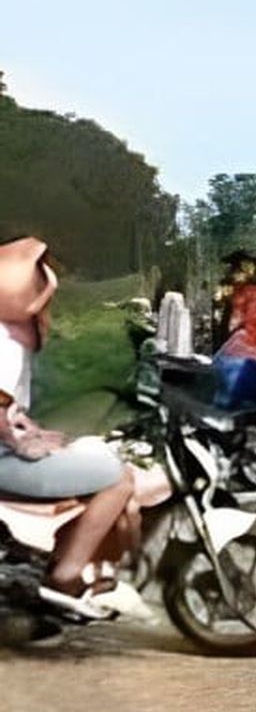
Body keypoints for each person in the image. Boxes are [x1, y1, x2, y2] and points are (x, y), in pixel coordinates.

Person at [0, 236, 138, 616]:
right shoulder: (7, 344)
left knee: (87, 450)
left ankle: (64, 557)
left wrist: (35, 433)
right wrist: (26, 443)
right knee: (119, 477)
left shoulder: (11, 338)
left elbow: (9, 410)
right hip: (3, 461)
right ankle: (67, 574)